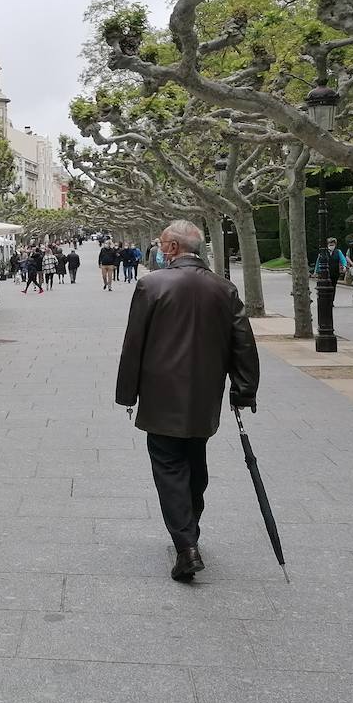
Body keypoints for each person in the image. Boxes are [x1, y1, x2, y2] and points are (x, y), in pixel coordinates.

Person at [116, 220, 260, 582]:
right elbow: (243, 343)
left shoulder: (151, 285)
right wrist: (243, 390)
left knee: (169, 467)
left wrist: (127, 393)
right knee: (195, 463)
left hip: (162, 395)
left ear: (173, 248)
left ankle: (186, 545)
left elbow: (135, 343)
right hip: (204, 395)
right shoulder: (223, 288)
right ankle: (189, 531)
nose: (161, 249)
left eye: (164, 244)